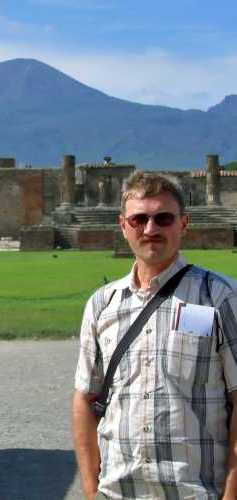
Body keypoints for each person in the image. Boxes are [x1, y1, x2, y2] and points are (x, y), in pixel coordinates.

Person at [72, 172, 237, 499]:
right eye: (139, 219)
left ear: (184, 223)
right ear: (123, 226)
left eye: (163, 218)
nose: (151, 229)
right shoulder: (102, 304)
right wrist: (91, 491)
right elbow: (84, 399)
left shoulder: (219, 297)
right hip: (118, 491)